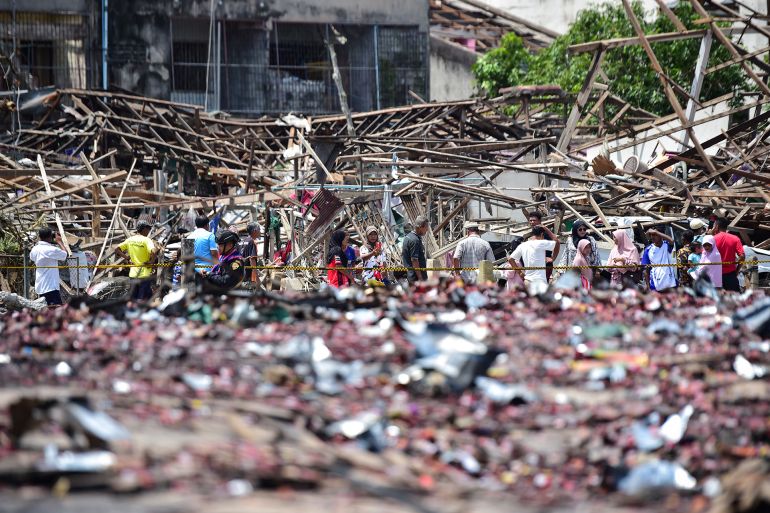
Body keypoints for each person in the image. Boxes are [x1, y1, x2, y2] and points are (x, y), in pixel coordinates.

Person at [116, 220, 158, 301]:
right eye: (148, 228)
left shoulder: (130, 240)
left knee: (133, 299)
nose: (149, 230)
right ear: (143, 229)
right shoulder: (146, 240)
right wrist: (151, 261)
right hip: (144, 275)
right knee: (143, 300)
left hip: (133, 275)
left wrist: (127, 258)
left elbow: (117, 249)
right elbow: (154, 251)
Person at [509, 225, 559, 291]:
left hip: (527, 281)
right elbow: (557, 241)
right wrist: (546, 228)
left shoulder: (523, 245)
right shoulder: (541, 243)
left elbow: (510, 259)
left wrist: (520, 273)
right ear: (542, 234)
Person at [29, 227, 68, 307]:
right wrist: (59, 242)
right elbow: (65, 254)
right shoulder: (51, 249)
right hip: (50, 286)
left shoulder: (35, 249)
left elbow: (32, 258)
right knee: (57, 310)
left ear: (39, 237)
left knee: (44, 310)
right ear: (50, 237)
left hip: (40, 286)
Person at [712, 217, 745, 292]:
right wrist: (737, 271)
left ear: (716, 226)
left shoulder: (711, 240)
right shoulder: (735, 238)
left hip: (715, 275)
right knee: (734, 300)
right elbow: (742, 256)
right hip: (731, 275)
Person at [401, 215, 429, 284]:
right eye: (426, 227)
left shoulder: (408, 237)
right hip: (415, 278)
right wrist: (420, 278)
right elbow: (414, 261)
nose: (427, 229)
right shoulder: (414, 240)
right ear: (420, 227)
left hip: (410, 276)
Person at [528, 211, 554, 281]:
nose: (532, 222)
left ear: (539, 221)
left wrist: (551, 258)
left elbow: (555, 244)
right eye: (530, 220)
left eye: (534, 220)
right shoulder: (532, 234)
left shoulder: (545, 234)